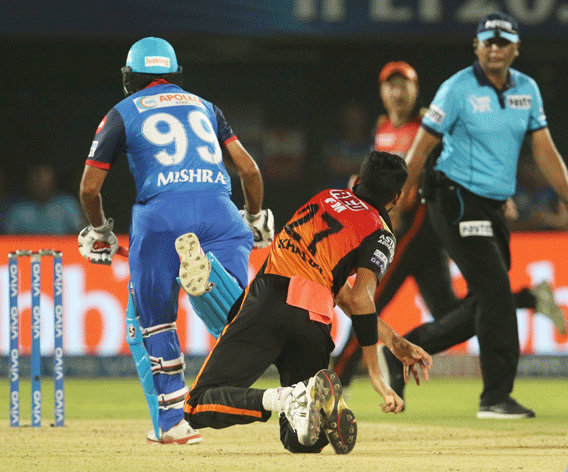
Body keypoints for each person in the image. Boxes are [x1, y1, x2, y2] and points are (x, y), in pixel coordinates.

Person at [77, 37, 272, 444]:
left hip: (161, 215)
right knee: (235, 318)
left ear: (130, 78)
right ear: (175, 74)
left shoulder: (120, 113)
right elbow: (250, 172)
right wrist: (253, 218)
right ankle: (210, 286)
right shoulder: (207, 107)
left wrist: (100, 232)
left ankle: (171, 423)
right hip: (220, 211)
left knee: (156, 322)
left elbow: (89, 190)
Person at [334, 61, 566, 389]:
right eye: (391, 85)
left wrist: (495, 190)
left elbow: (472, 149)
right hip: (406, 232)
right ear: (382, 91)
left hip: (416, 224)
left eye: (404, 85)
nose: (398, 92)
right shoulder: (383, 127)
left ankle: (337, 378)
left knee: (368, 299)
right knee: (451, 315)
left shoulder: (430, 122)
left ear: (416, 91)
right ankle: (528, 298)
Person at [184, 151, 432, 454]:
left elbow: (348, 294)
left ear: (357, 180)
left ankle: (284, 398)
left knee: (196, 405)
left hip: (268, 299)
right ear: (397, 197)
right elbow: (359, 297)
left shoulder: (326, 197)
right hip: (314, 319)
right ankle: (311, 400)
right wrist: (377, 377)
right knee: (303, 442)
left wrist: (393, 340)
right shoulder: (381, 234)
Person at [395, 13, 568, 419]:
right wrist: (396, 205)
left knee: (485, 304)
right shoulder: (456, 88)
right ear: (476, 47)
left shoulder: (527, 90)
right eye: (487, 41)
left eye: (503, 42)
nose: (494, 48)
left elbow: (544, 150)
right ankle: (495, 397)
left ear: (516, 48)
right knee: (493, 292)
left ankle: (402, 348)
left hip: (492, 206)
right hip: (453, 199)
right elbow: (419, 151)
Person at [5, 163, 85, 234]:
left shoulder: (67, 205)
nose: (42, 184)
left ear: (53, 181)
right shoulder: (18, 210)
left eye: (45, 179)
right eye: (38, 180)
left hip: (61, 249)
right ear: (29, 182)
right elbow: (8, 240)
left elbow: (79, 234)